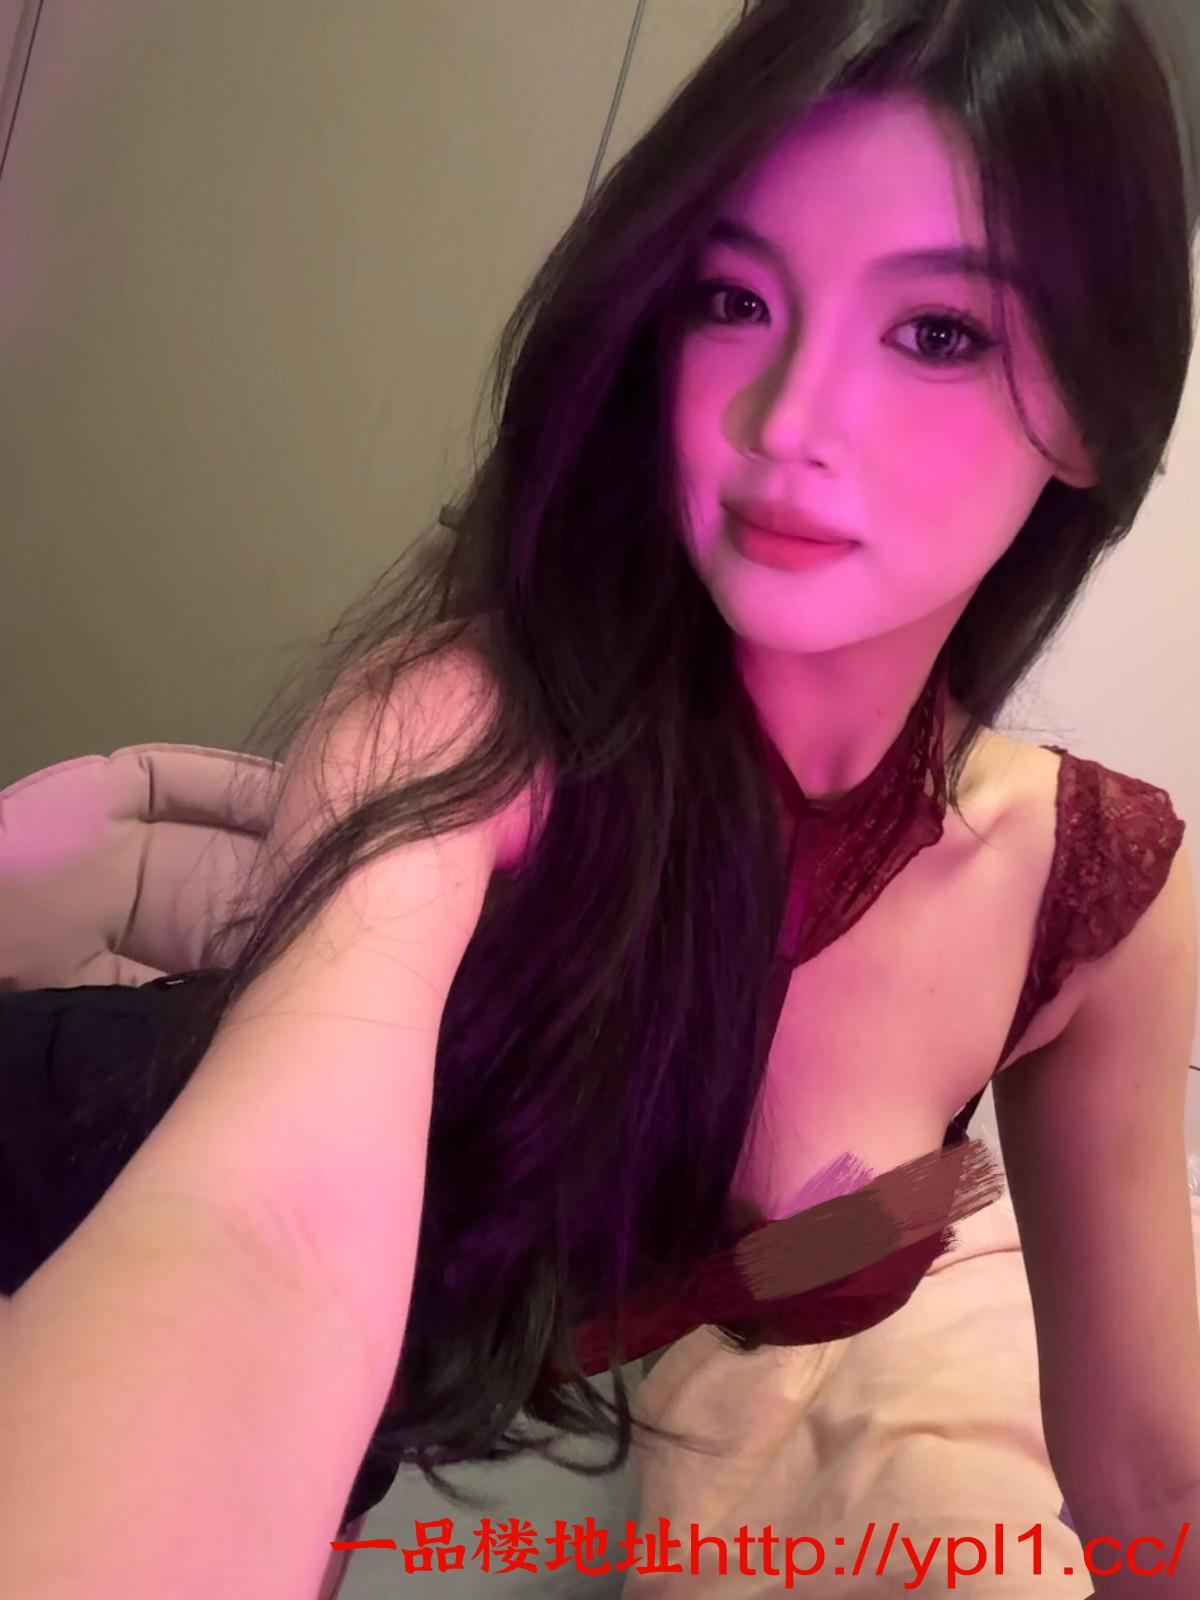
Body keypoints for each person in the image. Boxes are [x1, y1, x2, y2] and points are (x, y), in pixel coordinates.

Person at [3, 1, 1200, 1595]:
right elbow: (261, 1239)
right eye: (733, 298)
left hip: (378, 1421)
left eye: (936, 333)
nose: (786, 424)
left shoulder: (1091, 908)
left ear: (1099, 407)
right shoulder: (469, 726)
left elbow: (1149, 1475)